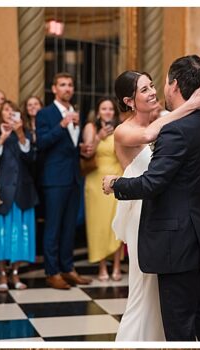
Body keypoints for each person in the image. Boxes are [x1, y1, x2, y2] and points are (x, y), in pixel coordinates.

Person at [106, 56, 200, 341]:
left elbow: (159, 168)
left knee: (179, 311)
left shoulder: (172, 125)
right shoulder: (127, 129)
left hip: (171, 225)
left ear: (173, 84)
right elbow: (149, 135)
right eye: (144, 89)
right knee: (149, 293)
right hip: (148, 218)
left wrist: (115, 184)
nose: (153, 92)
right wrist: (189, 106)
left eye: (152, 86)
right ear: (129, 100)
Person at [36, 73, 91, 291]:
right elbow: (41, 143)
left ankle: (68, 269)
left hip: (74, 177)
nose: (67, 88)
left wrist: (82, 149)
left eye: (70, 85)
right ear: (54, 89)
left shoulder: (76, 113)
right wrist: (61, 125)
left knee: (69, 227)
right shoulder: (45, 114)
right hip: (54, 179)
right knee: (53, 227)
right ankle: (52, 272)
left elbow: (68, 146)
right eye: (62, 85)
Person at [82, 96, 123, 281]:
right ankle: (101, 267)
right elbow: (87, 152)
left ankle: (116, 266)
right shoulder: (91, 127)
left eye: (110, 109)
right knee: (98, 224)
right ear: (98, 112)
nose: (107, 112)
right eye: (103, 108)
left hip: (116, 178)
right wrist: (99, 137)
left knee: (116, 223)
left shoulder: (121, 129)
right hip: (95, 180)